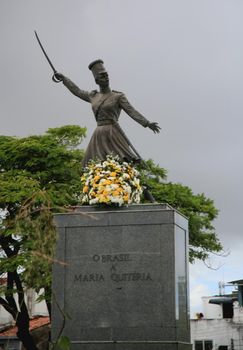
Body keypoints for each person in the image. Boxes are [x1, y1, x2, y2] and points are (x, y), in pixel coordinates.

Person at [55, 59, 160, 166]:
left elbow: (131, 111)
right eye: (102, 76)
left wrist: (147, 123)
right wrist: (64, 79)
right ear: (97, 81)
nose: (106, 77)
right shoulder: (93, 96)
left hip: (113, 131)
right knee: (94, 164)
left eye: (106, 75)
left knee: (121, 161)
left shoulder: (118, 96)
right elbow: (77, 91)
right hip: (99, 133)